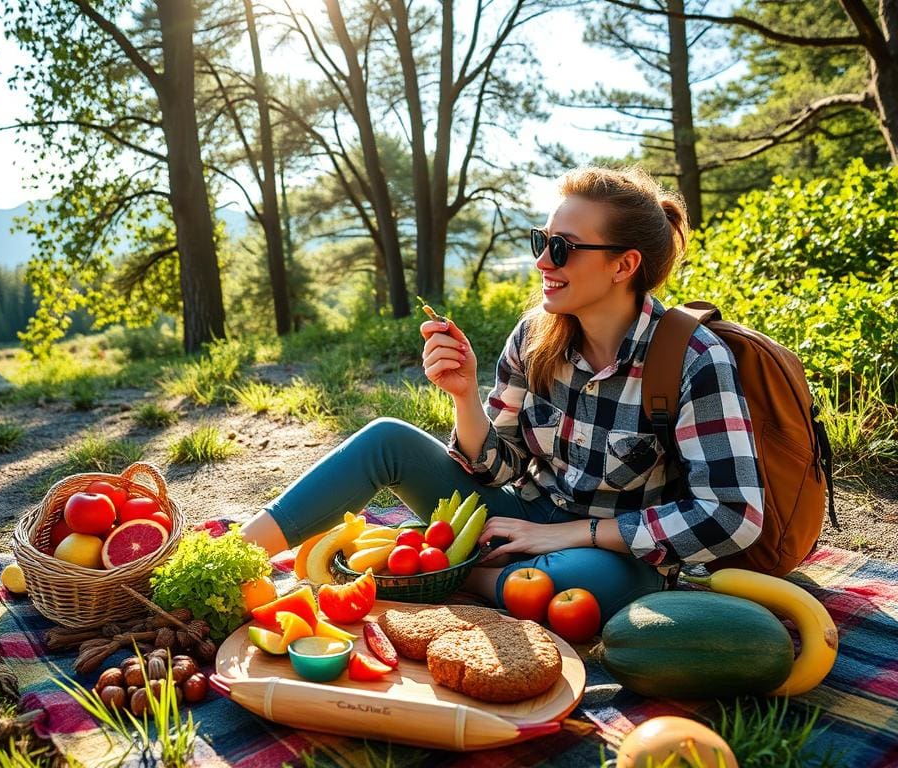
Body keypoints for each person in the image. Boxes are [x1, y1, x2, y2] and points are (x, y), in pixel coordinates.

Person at [241, 165, 764, 620]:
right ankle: (229, 554)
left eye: (562, 249)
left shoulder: (692, 359)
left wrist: (569, 534)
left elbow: (733, 514)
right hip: (521, 518)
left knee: (599, 587)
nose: (542, 263)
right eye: (542, 241)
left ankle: (444, 572)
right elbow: (500, 468)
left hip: (612, 552)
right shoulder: (535, 337)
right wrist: (465, 397)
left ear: (623, 266)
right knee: (386, 440)